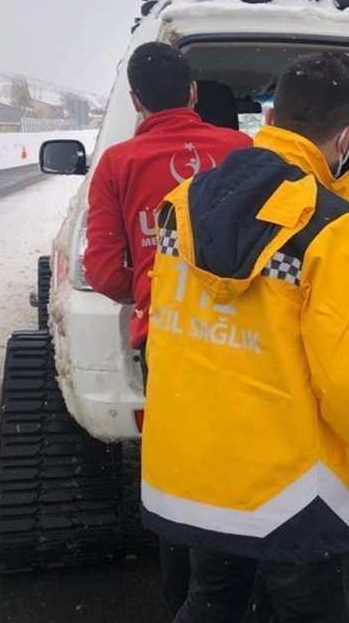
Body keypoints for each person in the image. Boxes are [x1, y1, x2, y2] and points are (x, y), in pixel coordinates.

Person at [141, 52, 349, 623]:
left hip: (195, 472)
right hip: (291, 493)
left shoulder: (182, 204)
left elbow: (169, 337)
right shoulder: (333, 226)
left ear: (272, 116)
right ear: (346, 135)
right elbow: (346, 378)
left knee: (211, 605)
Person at [81, 41, 251, 616]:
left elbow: (102, 269)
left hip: (172, 341)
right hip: (247, 335)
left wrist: (153, 286)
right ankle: (248, 579)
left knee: (183, 472)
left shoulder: (118, 163)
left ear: (136, 101)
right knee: (245, 457)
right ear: (194, 92)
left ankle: (188, 595)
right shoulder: (241, 148)